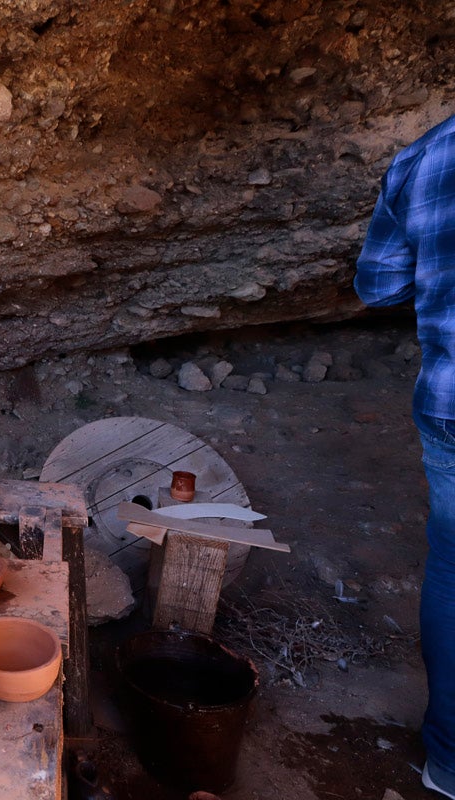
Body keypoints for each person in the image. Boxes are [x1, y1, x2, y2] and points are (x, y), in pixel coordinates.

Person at [355, 112, 455, 799]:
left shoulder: (430, 154)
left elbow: (379, 284)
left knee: (454, 568)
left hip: (452, 404)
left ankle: (449, 760)